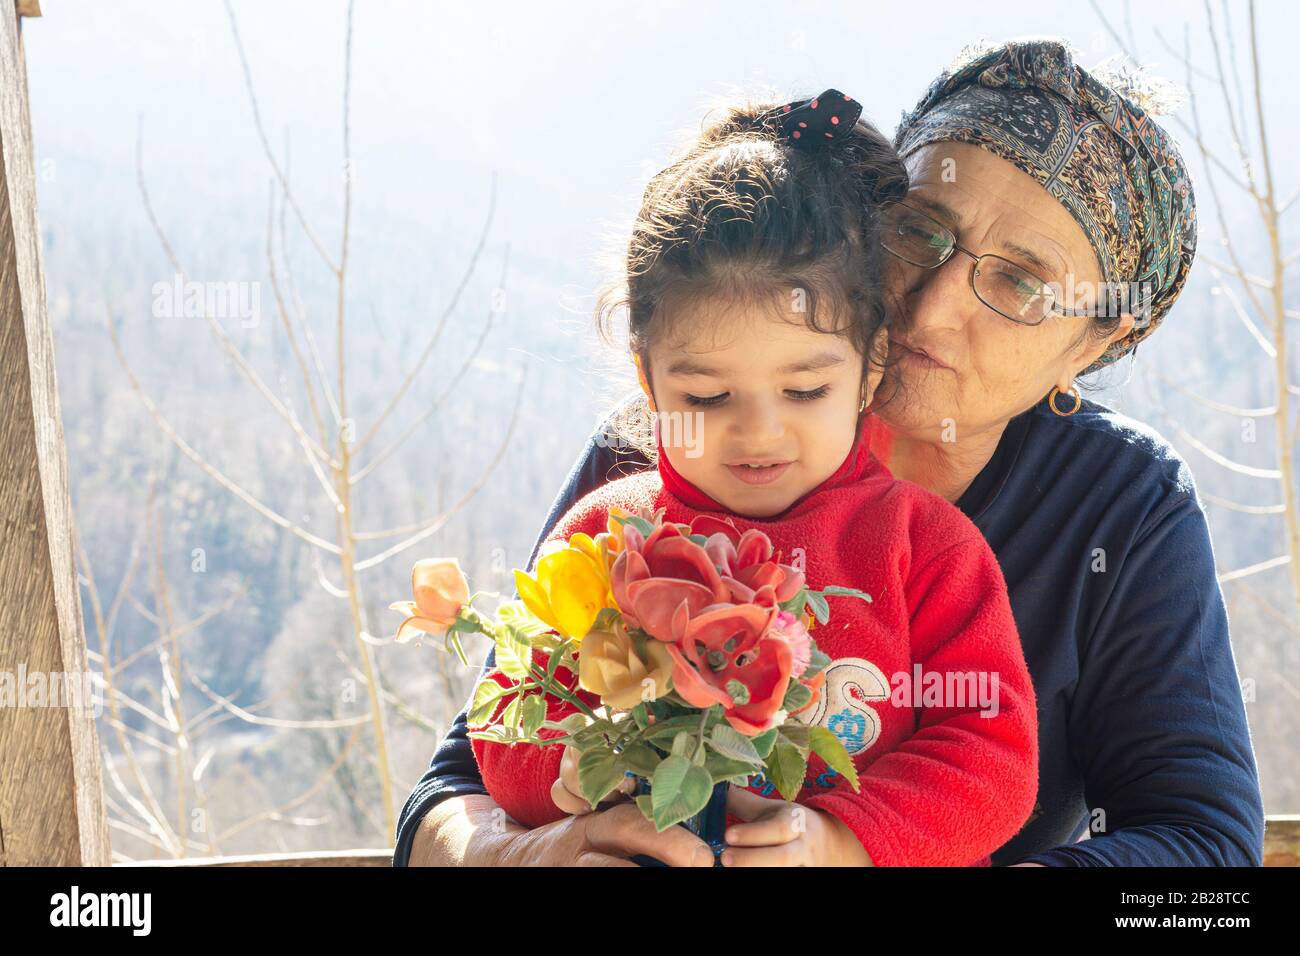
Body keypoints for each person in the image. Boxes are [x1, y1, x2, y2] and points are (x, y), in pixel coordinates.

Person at [396, 38, 1265, 867]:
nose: (930, 310)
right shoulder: (676, 445)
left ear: (1093, 344)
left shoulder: (1123, 506)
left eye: (1020, 283)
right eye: (921, 232)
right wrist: (528, 852)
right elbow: (460, 783)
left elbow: (1207, 865)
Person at [466, 89, 1039, 867]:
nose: (760, 432)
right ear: (648, 377)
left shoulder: (924, 546)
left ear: (872, 366)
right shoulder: (605, 537)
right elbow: (503, 715)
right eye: (707, 397)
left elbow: (989, 753)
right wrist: (565, 778)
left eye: (806, 391)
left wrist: (838, 843)